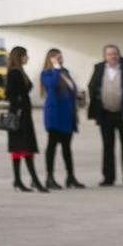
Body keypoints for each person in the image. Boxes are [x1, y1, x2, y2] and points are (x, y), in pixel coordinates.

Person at [87, 44, 123, 186]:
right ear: (105, 56)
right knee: (108, 146)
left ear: (119, 55)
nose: (113, 56)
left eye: (115, 54)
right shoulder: (99, 68)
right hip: (106, 114)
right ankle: (108, 177)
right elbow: (92, 86)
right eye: (109, 54)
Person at [35, 49, 83, 190]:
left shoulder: (65, 72)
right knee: (52, 146)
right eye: (56, 57)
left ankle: (70, 176)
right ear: (50, 59)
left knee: (67, 147)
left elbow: (71, 89)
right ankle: (49, 177)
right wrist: (55, 68)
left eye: (60, 56)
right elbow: (52, 85)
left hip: (67, 114)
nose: (60, 58)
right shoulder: (47, 73)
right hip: (55, 115)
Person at [5, 46, 48, 192]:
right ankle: (33, 180)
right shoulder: (14, 73)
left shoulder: (20, 72)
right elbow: (9, 94)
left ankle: (18, 180)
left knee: (21, 147)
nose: (27, 58)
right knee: (24, 147)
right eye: (25, 55)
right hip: (19, 115)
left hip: (23, 114)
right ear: (19, 56)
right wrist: (19, 106)